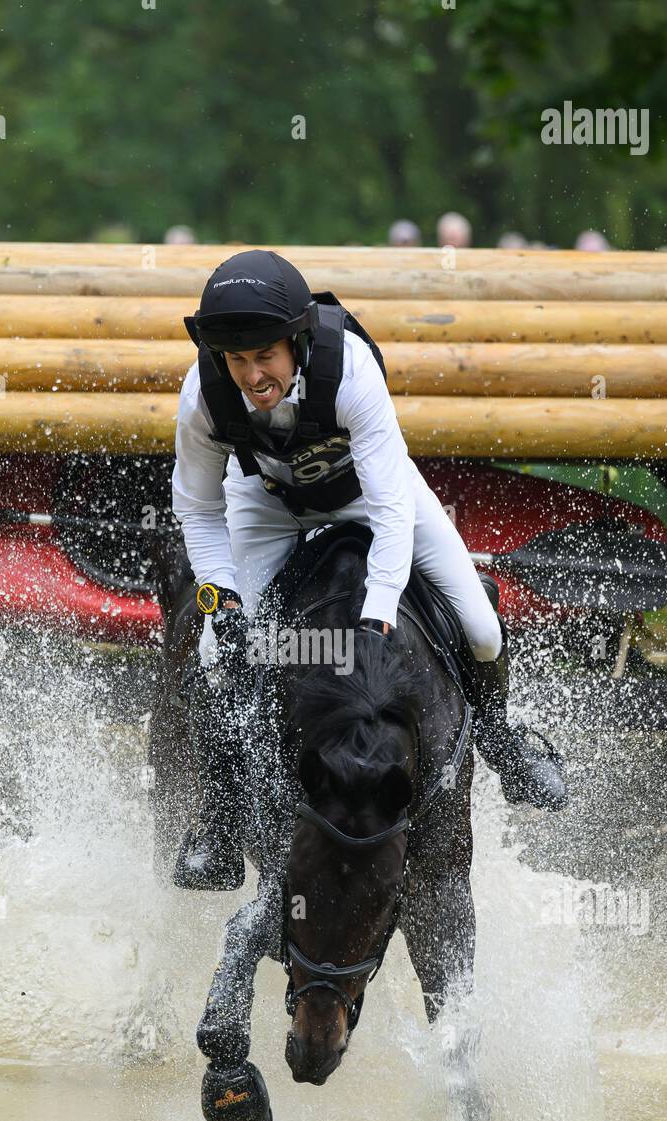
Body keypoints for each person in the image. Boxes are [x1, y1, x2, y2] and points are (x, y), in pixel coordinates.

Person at [170, 250, 568, 889]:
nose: (251, 375)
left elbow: (389, 512)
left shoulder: (350, 370)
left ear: (297, 341)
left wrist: (377, 616)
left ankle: (505, 735)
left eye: (264, 356)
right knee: (223, 656)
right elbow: (195, 508)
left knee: (482, 627)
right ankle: (216, 823)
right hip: (267, 504)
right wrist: (224, 601)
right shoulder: (205, 395)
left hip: (371, 492)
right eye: (237, 360)